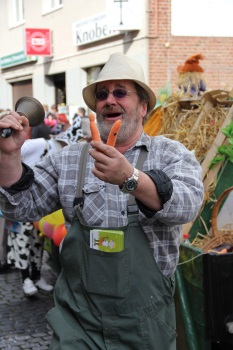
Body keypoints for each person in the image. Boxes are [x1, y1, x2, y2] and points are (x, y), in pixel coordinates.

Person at [0, 52, 204, 349]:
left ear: (143, 106)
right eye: (102, 94)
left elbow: (189, 204)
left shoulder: (170, 153)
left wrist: (130, 177)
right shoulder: (70, 158)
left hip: (144, 327)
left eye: (121, 92)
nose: (110, 99)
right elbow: (19, 205)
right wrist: (8, 155)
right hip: (78, 324)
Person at [6, 121, 84, 297]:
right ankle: (25, 279)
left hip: (38, 201)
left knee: (37, 241)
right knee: (21, 240)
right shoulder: (39, 144)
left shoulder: (65, 154)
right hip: (17, 198)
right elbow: (10, 153)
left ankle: (36, 275)